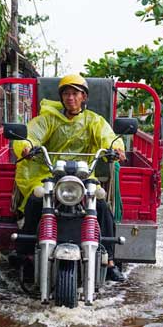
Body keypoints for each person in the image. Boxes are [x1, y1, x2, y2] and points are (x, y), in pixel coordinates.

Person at [12, 74, 126, 282]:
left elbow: (107, 136)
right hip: (50, 174)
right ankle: (26, 254)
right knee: (36, 200)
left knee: (101, 204)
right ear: (61, 97)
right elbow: (31, 134)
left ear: (84, 97)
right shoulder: (48, 119)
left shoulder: (94, 121)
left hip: (83, 176)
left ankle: (109, 260)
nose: (70, 98)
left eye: (75, 93)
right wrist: (25, 146)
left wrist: (116, 148)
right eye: (66, 93)